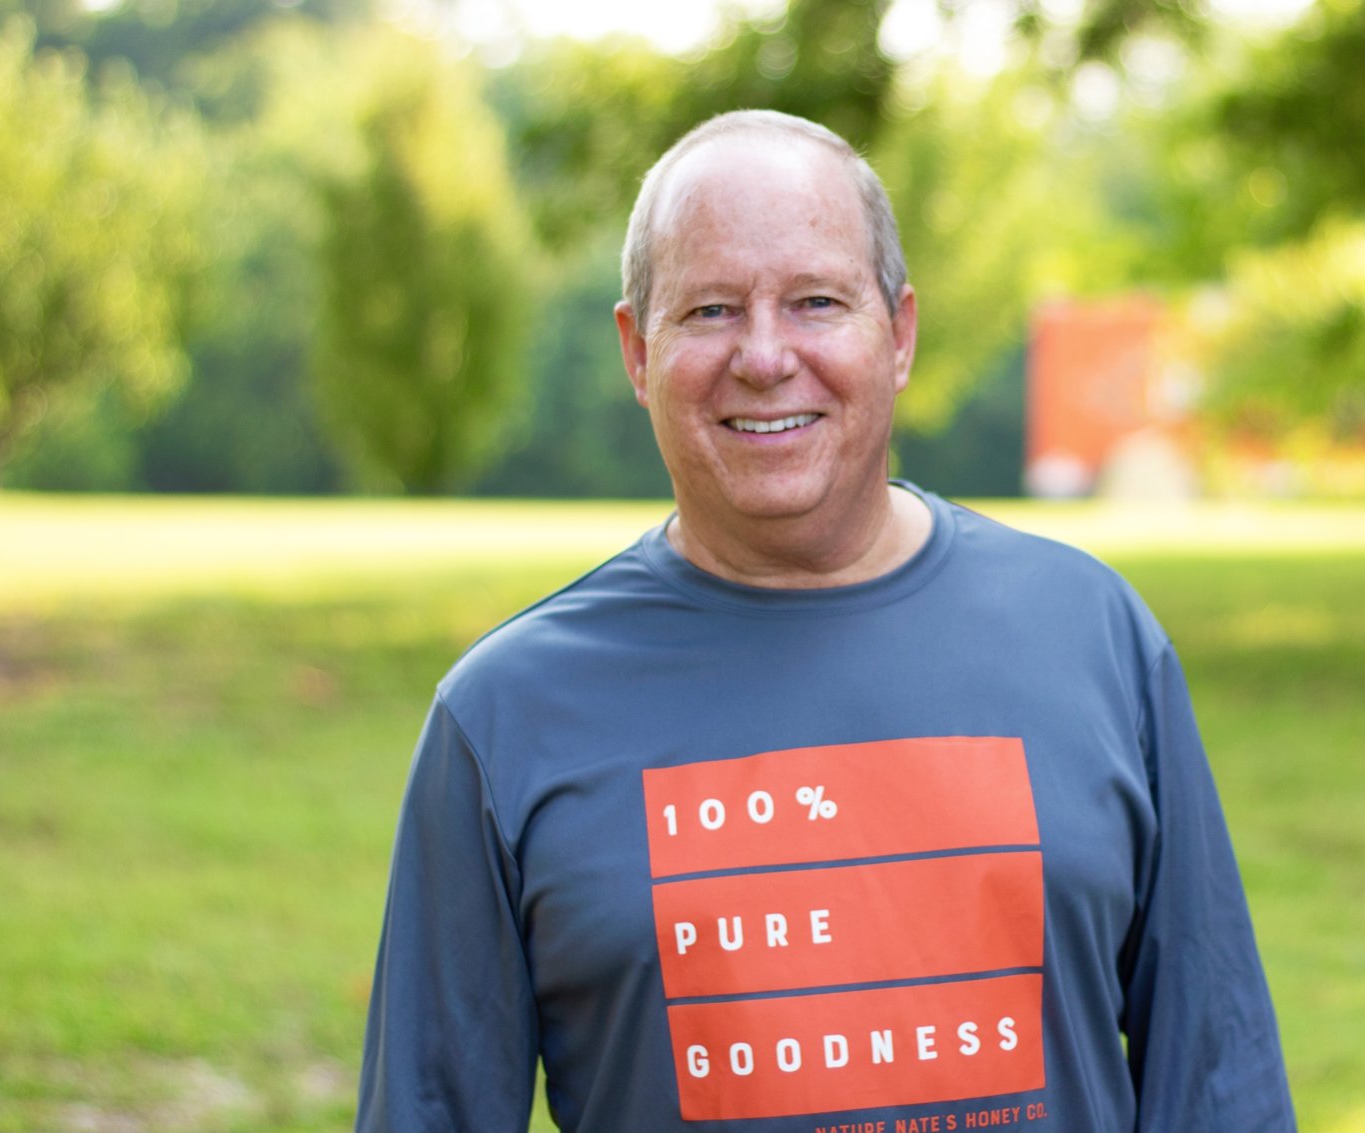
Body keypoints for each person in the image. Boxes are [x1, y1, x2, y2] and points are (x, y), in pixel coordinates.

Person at [356, 109, 1294, 1133]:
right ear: (635, 351)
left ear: (895, 334)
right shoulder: (503, 716)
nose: (764, 356)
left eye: (814, 300)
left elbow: (1218, 1085)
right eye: (710, 310)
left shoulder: (1092, 637)